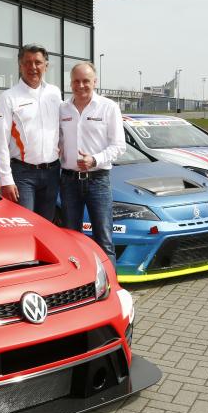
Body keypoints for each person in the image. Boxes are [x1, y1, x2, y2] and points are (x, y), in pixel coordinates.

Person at [59, 62, 125, 264]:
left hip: (98, 181)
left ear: (95, 82)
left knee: (104, 240)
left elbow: (119, 146)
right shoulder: (63, 108)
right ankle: (78, 282)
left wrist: (94, 159)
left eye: (86, 81)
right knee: (71, 238)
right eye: (76, 81)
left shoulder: (109, 107)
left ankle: (110, 282)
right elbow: (58, 139)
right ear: (71, 83)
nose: (81, 86)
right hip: (69, 181)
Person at [0, 44, 62, 221]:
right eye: (27, 62)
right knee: (25, 224)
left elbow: (61, 129)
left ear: (46, 65)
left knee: (46, 224)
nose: (33, 67)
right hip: (23, 175)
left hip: (52, 172)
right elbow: (0, 141)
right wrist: (6, 179)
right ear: (20, 65)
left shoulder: (54, 93)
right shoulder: (8, 97)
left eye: (38, 62)